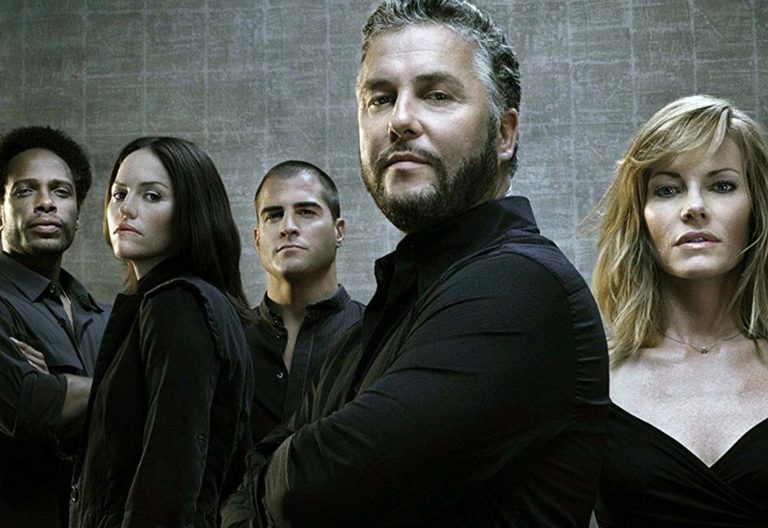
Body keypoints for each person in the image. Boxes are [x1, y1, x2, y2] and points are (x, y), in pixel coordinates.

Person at [221, 1, 609, 526]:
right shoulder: (392, 305)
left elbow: (316, 487)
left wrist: (279, 478)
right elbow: (256, 472)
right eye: (380, 99)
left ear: (504, 134)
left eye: (437, 95)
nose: (400, 120)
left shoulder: (519, 285)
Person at [592, 95, 768, 526]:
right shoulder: (590, 380)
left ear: (756, 208)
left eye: (721, 186)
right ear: (641, 218)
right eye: (667, 190)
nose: (693, 207)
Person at [67, 137, 253, 528]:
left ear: (191, 211)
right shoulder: (176, 302)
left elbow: (170, 472)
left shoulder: (178, 304)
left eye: (152, 196)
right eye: (119, 193)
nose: (126, 208)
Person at [0, 126, 109, 528]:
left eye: (61, 192)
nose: (46, 202)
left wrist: (63, 388)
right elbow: (28, 404)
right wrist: (128, 382)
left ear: (77, 215)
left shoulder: (106, 317)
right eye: (26, 190)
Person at [248, 160, 364, 443]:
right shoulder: (229, 339)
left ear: (339, 231)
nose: (288, 227)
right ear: (257, 239)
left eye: (306, 212)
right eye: (273, 216)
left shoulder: (376, 334)